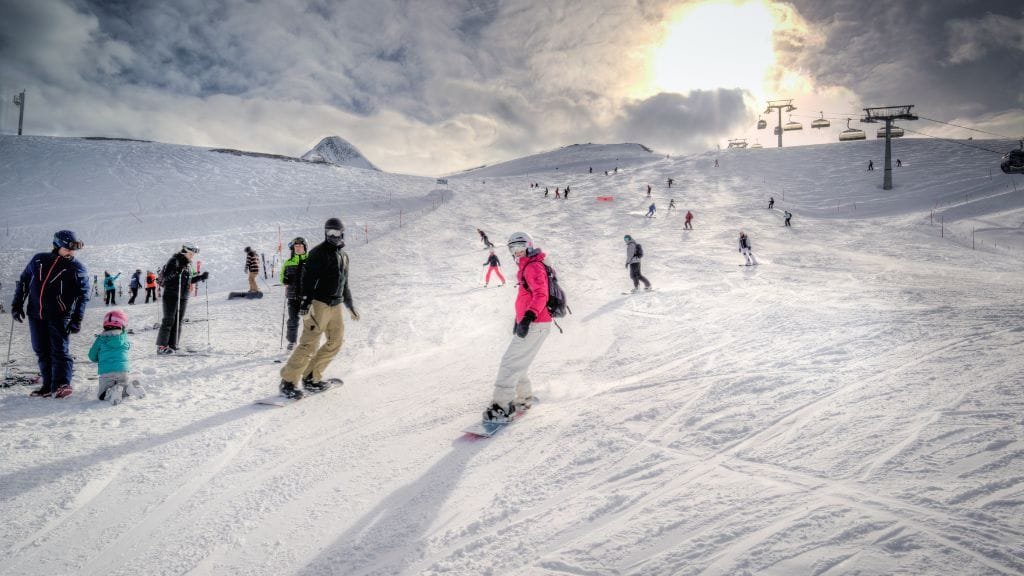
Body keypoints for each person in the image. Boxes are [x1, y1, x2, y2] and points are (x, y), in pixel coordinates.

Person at [278, 218, 360, 399]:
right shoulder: (317, 253)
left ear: (342, 233)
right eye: (329, 232)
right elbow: (307, 280)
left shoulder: (344, 256)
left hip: (336, 305)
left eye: (336, 233)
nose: (332, 236)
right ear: (325, 233)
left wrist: (350, 305)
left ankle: (311, 377)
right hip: (319, 304)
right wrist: (306, 304)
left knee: (335, 342)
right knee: (310, 344)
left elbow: (344, 284)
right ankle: (288, 382)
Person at [10, 230, 90, 398]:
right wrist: (17, 304)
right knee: (41, 349)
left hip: (59, 315)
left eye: (73, 249)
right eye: (67, 248)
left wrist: (77, 318)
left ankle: (62, 384)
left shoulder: (76, 268)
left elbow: (83, 295)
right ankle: (48, 385)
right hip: (35, 314)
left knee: (59, 350)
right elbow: (24, 280)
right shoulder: (39, 259)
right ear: (57, 245)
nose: (71, 252)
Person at [483, 232, 551, 422]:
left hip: (535, 323)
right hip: (534, 322)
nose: (517, 252)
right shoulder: (529, 265)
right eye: (513, 249)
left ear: (529, 245)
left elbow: (541, 294)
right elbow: (528, 296)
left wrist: (528, 317)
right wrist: (519, 319)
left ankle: (502, 407)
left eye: (520, 247)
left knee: (510, 363)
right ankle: (524, 398)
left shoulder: (533, 266)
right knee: (518, 362)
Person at [156, 243, 209, 354]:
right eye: (191, 253)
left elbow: (188, 280)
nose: (192, 256)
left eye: (193, 254)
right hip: (171, 295)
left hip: (183, 296)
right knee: (168, 320)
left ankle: (173, 345)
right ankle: (161, 347)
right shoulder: (174, 261)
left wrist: (201, 277)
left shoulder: (189, 265)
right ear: (185, 251)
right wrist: (177, 271)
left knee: (178, 321)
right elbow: (166, 277)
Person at [89, 310, 144, 404]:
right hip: (123, 370)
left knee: (102, 395)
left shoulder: (101, 338)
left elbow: (92, 356)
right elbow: (127, 347)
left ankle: (114, 390)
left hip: (106, 372)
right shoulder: (124, 337)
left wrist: (99, 358)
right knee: (122, 386)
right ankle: (129, 389)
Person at [280, 236, 309, 350]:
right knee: (293, 319)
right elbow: (282, 277)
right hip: (292, 296)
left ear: (305, 248)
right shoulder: (288, 262)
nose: (298, 248)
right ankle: (292, 341)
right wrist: (285, 280)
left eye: (300, 246)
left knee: (309, 320)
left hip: (307, 297)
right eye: (296, 246)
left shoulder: (310, 261)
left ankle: (308, 343)